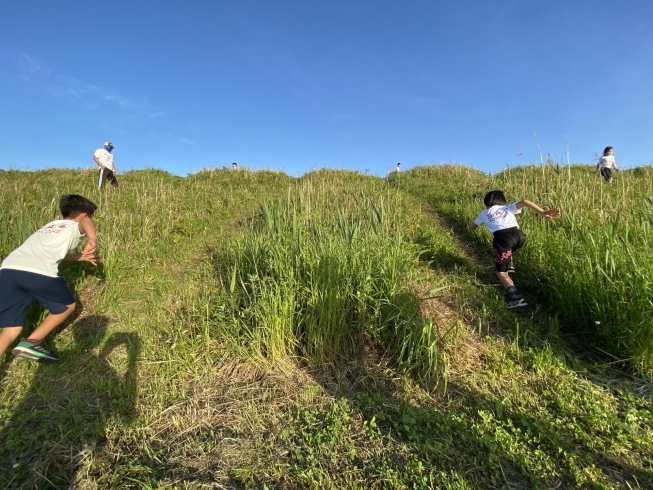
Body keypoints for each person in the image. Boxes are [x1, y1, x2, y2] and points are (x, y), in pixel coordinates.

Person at [0, 195, 101, 361]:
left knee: (11, 328)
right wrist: (92, 239)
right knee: (66, 305)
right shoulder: (75, 225)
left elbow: (50, 252)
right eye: (90, 216)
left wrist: (78, 257)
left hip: (8, 270)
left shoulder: (50, 226)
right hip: (37, 271)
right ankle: (32, 342)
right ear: (84, 214)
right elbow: (84, 222)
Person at [470, 190, 560, 308]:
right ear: (502, 200)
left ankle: (515, 298)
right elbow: (524, 202)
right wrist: (542, 211)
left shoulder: (484, 213)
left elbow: (472, 227)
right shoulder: (507, 208)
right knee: (509, 250)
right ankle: (510, 263)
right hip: (519, 236)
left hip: (502, 239)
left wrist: (474, 225)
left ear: (486, 202)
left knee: (501, 272)